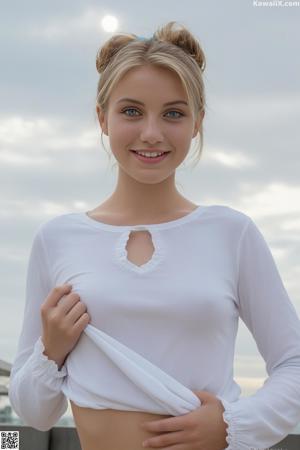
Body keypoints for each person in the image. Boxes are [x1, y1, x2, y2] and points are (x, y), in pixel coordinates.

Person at [8, 20, 300, 450]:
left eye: (173, 113)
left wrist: (233, 426)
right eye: (130, 111)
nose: (151, 132)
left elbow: (293, 363)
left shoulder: (232, 232)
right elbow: (36, 412)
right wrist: (50, 351)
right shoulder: (57, 239)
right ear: (102, 118)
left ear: (197, 122)